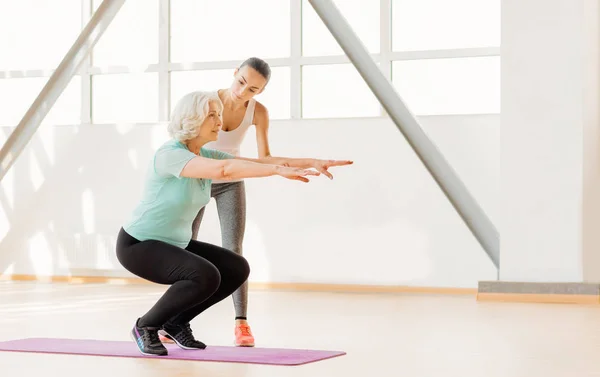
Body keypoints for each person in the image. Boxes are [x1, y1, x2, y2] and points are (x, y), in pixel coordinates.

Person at [117, 91, 332, 356]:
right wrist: (277, 171)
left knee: (235, 267)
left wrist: (311, 162)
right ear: (192, 119)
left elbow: (255, 162)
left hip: (173, 243)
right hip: (139, 244)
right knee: (204, 274)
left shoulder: (206, 154)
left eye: (218, 114)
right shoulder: (170, 154)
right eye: (211, 115)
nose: (219, 121)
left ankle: (175, 322)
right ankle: (145, 326)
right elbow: (225, 171)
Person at [165, 57, 353, 348]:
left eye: (253, 89)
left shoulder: (258, 113)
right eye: (241, 82)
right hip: (198, 179)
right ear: (234, 74)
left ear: (260, 92)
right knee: (185, 247)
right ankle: (173, 319)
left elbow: (264, 158)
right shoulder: (207, 102)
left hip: (230, 182)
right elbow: (185, 140)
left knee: (234, 250)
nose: (243, 91)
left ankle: (241, 322)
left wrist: (311, 161)